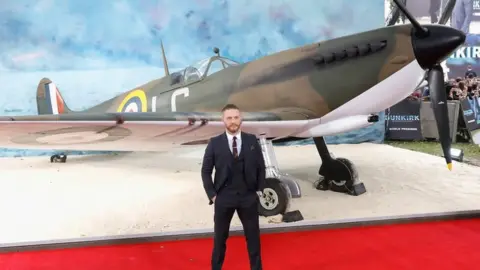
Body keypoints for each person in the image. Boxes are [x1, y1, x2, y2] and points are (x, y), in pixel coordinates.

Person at [201, 103, 265, 270]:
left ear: (241, 118)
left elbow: (261, 167)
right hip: (224, 198)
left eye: (236, 117)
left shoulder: (252, 140)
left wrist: (258, 190)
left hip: (248, 197)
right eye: (229, 118)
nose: (233, 121)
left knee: (253, 239)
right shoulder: (214, 143)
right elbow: (206, 171)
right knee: (220, 238)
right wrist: (213, 195)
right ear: (223, 120)